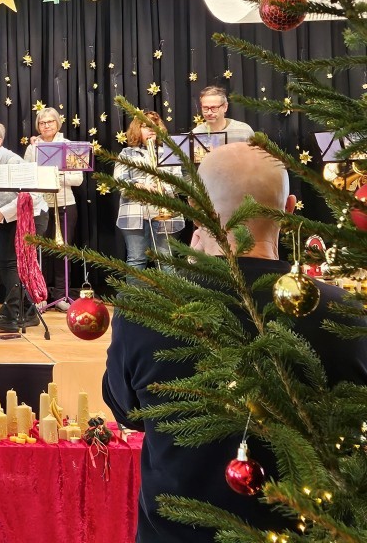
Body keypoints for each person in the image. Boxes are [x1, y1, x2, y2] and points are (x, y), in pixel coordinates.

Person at [103, 142, 367, 543]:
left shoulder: (148, 306)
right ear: (288, 209)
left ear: (196, 210)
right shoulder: (346, 312)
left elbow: (128, 412)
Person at [0, 120, 46, 332]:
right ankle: (28, 312)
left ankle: (12, 314)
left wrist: (1, 214)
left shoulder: (12, 161)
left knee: (11, 264)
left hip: (31, 216)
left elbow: (29, 196)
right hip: (11, 216)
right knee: (8, 263)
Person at [23, 107, 83, 310]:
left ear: (58, 123)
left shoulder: (69, 145)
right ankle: (40, 295)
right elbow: (27, 176)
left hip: (65, 204)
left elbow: (78, 179)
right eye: (42, 123)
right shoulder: (32, 147)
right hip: (40, 206)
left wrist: (55, 176)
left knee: (61, 251)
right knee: (39, 252)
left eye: (50, 122)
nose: (46, 126)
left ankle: (61, 296)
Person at [113, 111, 184, 273]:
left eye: (155, 125)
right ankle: (134, 291)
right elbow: (120, 181)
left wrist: (163, 188)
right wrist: (142, 186)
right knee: (136, 259)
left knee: (166, 260)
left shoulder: (169, 152)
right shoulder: (126, 153)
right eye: (145, 126)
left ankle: (170, 291)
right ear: (137, 130)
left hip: (166, 210)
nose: (151, 129)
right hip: (134, 212)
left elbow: (178, 180)